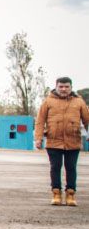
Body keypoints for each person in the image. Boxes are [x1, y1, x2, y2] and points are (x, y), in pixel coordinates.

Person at [34, 76, 89, 206]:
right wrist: (38, 138)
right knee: (55, 167)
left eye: (66, 87)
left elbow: (87, 120)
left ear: (71, 87)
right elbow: (40, 121)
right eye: (61, 86)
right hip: (54, 141)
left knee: (71, 168)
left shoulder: (79, 102)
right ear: (56, 87)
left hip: (73, 141)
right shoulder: (47, 101)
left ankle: (70, 195)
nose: (64, 89)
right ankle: (56, 194)